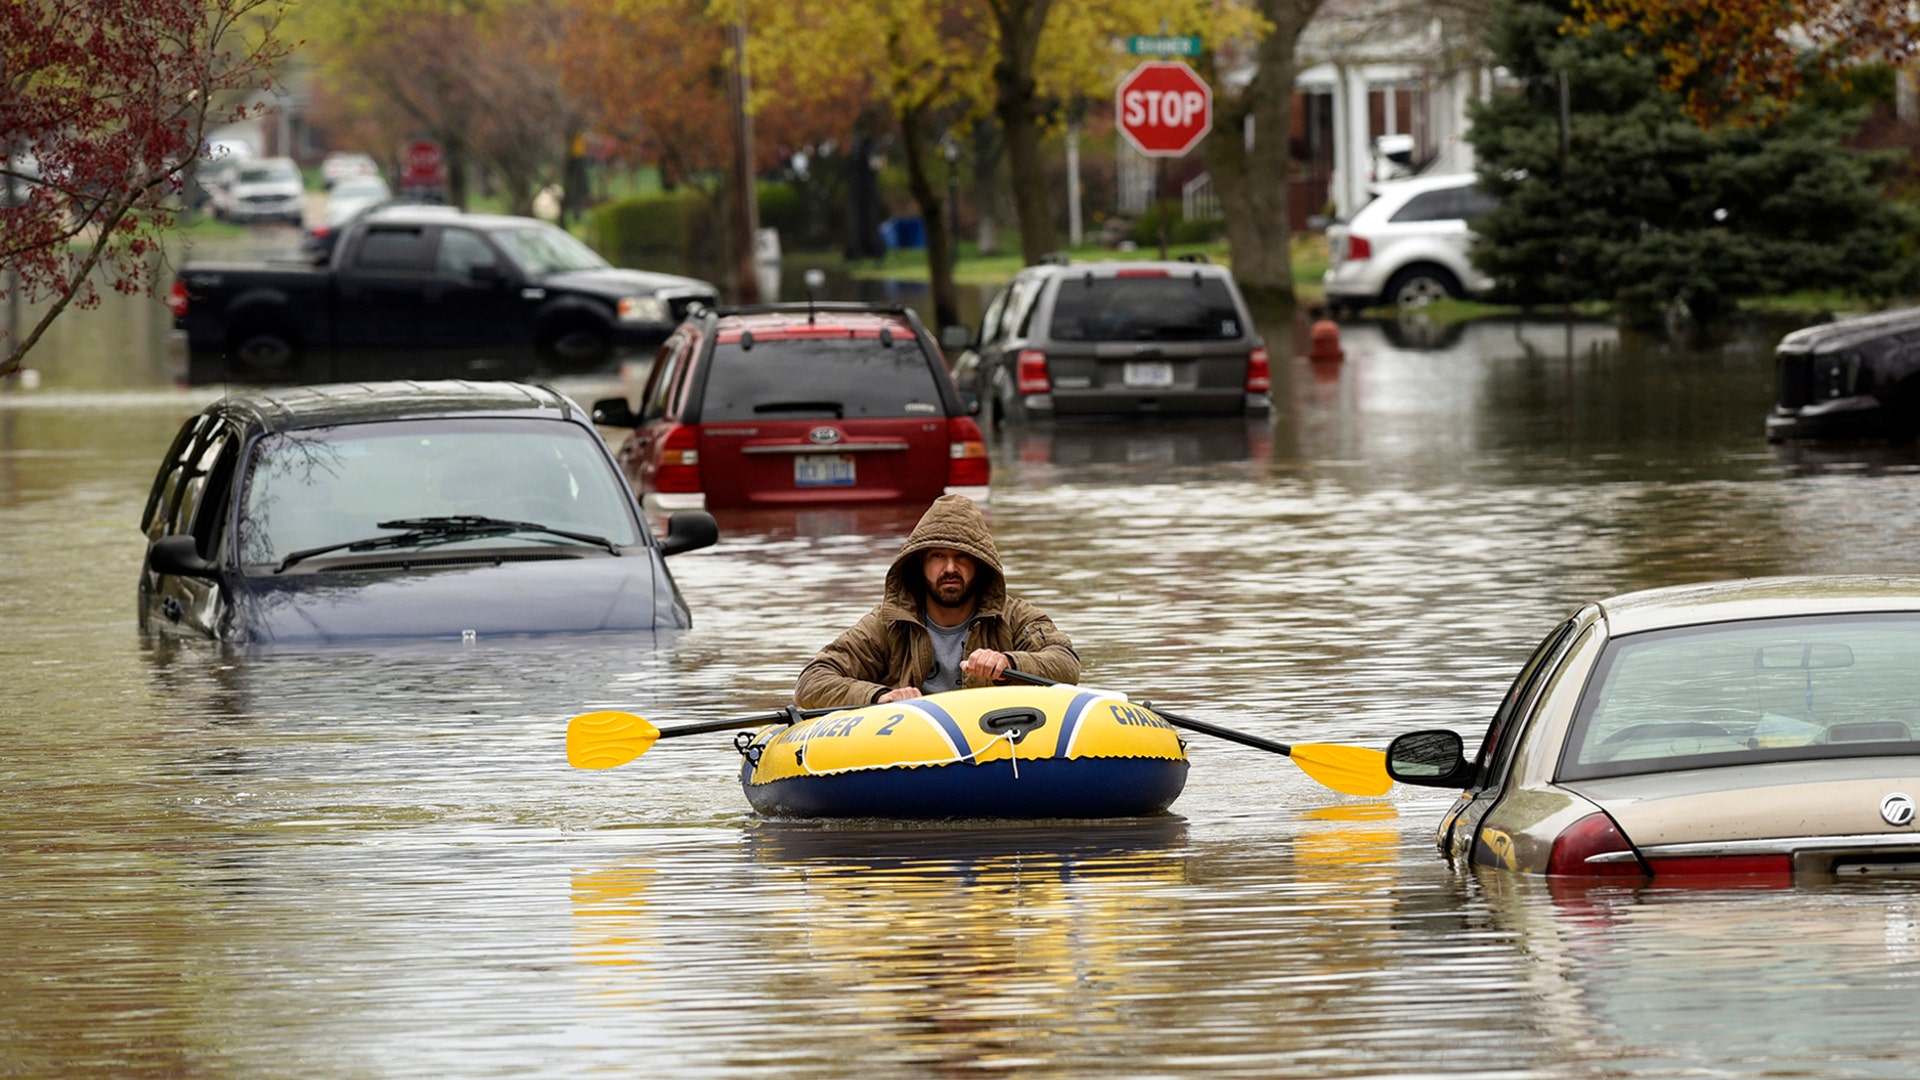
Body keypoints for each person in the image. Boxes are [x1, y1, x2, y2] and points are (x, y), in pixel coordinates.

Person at [795, 494, 1080, 709]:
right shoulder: (887, 624)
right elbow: (813, 681)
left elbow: (1066, 664)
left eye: (962, 557)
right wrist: (881, 696)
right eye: (938, 556)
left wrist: (1009, 661)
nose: (950, 569)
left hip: (997, 748)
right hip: (913, 754)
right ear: (919, 563)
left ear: (980, 565)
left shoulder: (1016, 618)